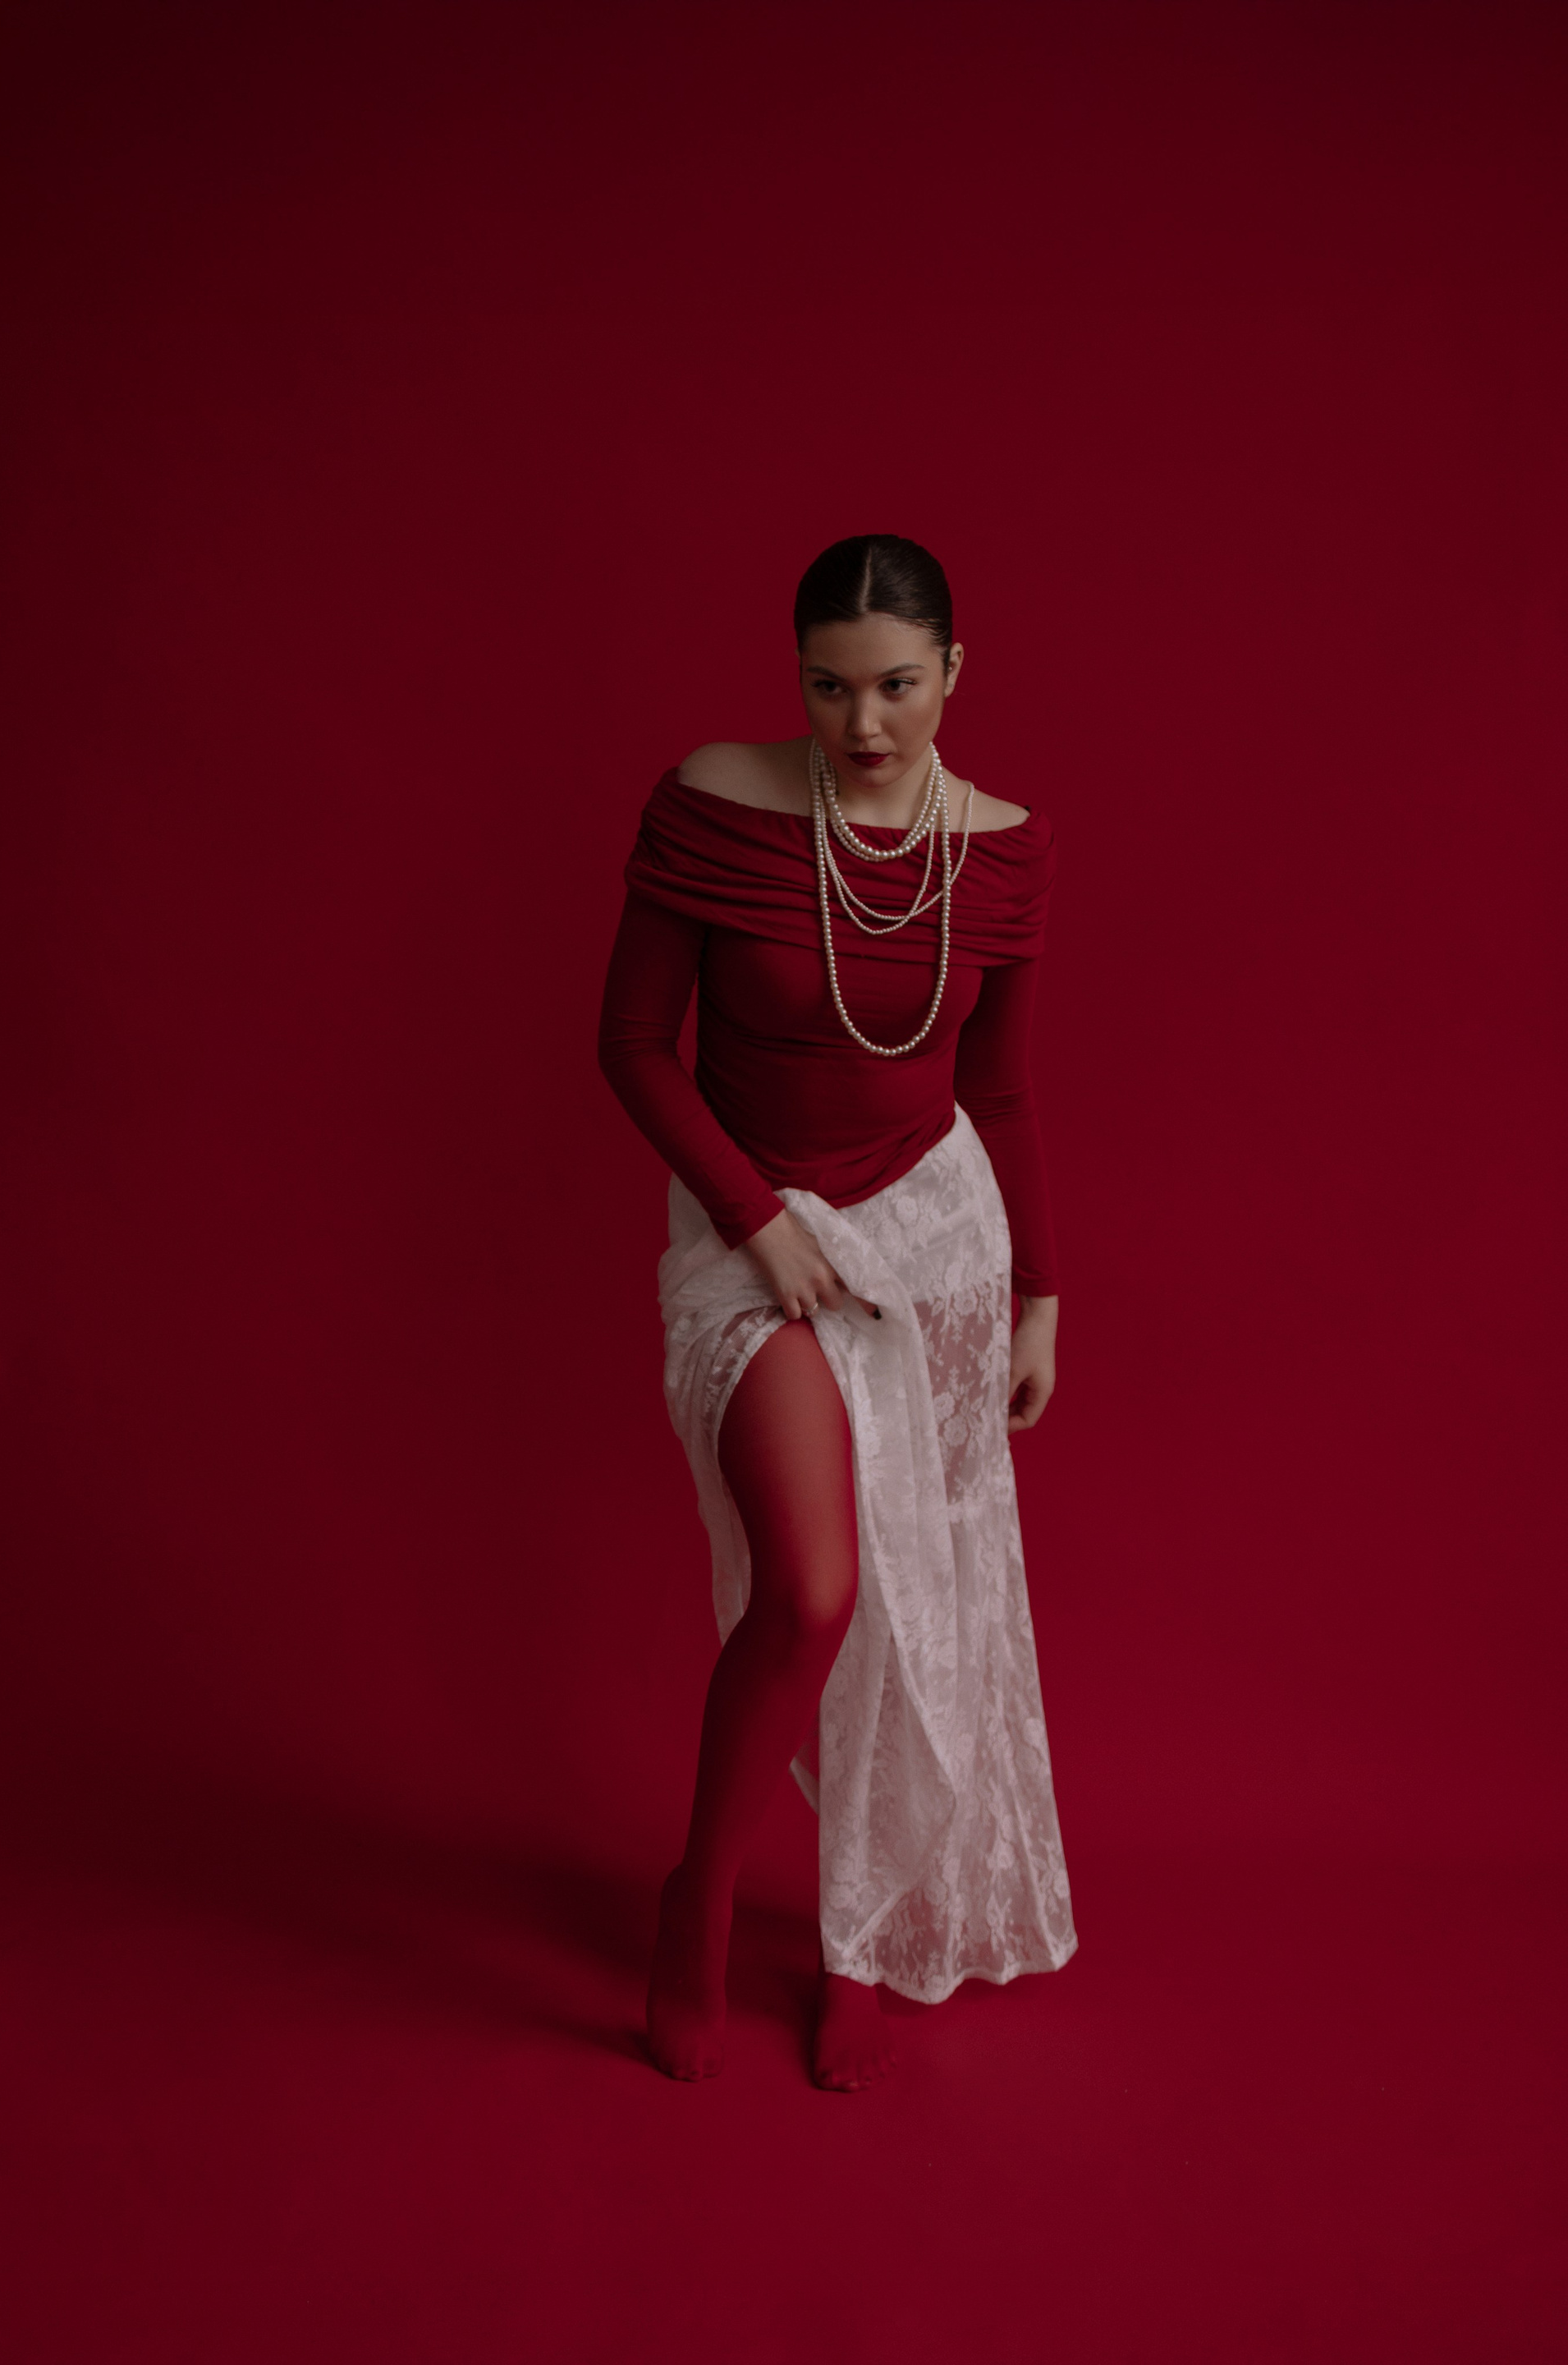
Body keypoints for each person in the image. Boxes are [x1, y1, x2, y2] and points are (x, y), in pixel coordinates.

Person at [598, 534, 1076, 2092]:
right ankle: (699, 1896)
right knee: (813, 1588)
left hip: (934, 1241)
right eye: (827, 686)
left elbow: (1000, 1092)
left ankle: (853, 1941)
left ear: (954, 673)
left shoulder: (1002, 848)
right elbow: (633, 1045)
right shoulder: (716, 802)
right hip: (757, 1240)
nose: (862, 723)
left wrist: (1041, 1294)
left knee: (908, 1605)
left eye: (896, 687)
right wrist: (756, 1219)